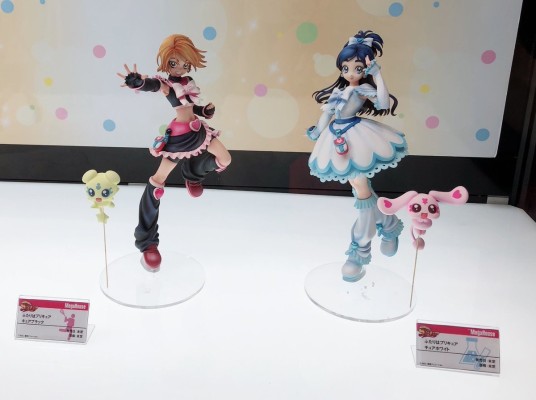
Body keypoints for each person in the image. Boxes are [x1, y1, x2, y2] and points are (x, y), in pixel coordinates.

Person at [118, 34, 231, 271]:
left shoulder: (188, 82)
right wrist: (137, 83)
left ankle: (193, 175)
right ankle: (147, 243)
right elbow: (154, 85)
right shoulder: (167, 84)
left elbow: (190, 106)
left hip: (199, 130)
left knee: (225, 159)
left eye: (185, 63)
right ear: (166, 62)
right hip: (179, 137)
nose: (179, 67)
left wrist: (204, 111)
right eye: (174, 63)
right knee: (158, 182)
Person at [306, 30, 408, 282]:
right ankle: (389, 224)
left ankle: (360, 250)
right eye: (346, 68)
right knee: (358, 186)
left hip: (357, 135)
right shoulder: (339, 92)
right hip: (336, 136)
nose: (351, 73)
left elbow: (383, 103)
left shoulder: (362, 89)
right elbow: (327, 114)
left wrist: (377, 74)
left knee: (361, 188)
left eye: (357, 68)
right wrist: (317, 131)